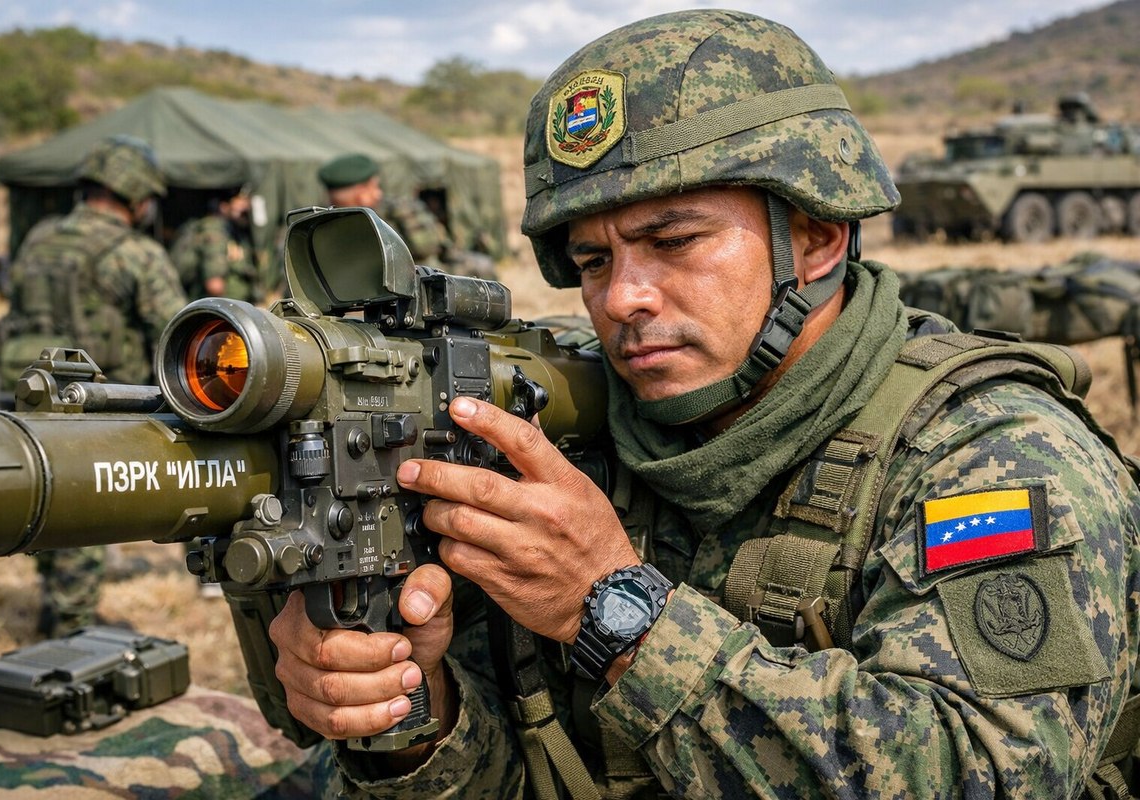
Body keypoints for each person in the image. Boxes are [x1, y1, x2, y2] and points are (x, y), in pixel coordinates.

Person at [270, 10, 1140, 799]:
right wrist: (416, 715)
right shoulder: (574, 443)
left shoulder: (993, 455)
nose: (622, 298)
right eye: (594, 261)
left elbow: (984, 775)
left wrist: (615, 614)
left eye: (674, 240)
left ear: (816, 237)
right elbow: (542, 769)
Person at [0, 135, 188, 638]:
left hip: (27, 388)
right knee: (82, 504)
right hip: (91, 401)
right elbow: (179, 333)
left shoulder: (39, 237)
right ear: (136, 195)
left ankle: (53, 600)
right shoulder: (135, 253)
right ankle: (72, 627)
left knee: (38, 492)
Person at [317, 153, 498, 280]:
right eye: (374, 187)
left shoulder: (319, 223)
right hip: (409, 280)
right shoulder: (393, 211)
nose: (379, 193)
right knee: (482, 265)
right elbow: (427, 247)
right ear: (361, 194)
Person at [169, 185, 262, 304]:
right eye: (239, 201)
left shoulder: (235, 231)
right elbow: (214, 285)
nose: (246, 206)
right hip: (222, 309)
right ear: (224, 206)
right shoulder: (214, 230)